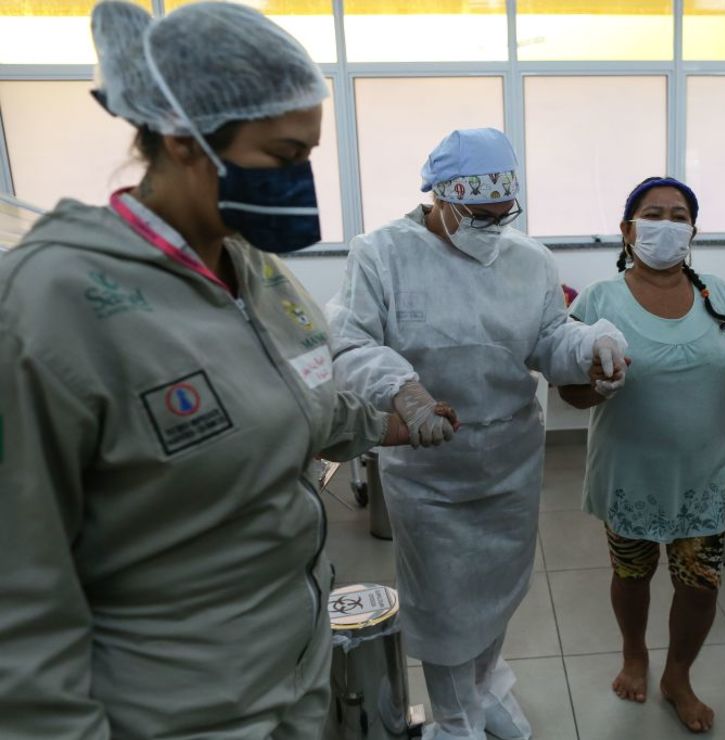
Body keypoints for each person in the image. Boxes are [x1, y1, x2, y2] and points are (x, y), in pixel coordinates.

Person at [0, 3, 439, 738]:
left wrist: (380, 421)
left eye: (308, 155)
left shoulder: (256, 272)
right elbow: (18, 599)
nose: (302, 181)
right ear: (183, 140)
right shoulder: (52, 305)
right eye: (282, 156)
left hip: (290, 676)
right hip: (170, 710)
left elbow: (297, 400)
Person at [326, 127, 628, 740]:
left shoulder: (529, 259)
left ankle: (486, 688)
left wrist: (591, 343)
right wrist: (404, 394)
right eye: (477, 215)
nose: (490, 228)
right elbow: (351, 340)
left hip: (511, 458)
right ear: (439, 197)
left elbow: (549, 338)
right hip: (429, 466)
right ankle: (454, 717)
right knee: (442, 604)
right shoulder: (381, 253)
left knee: (498, 590)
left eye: (501, 216)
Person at [558, 177, 725, 734]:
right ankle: (634, 652)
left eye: (678, 215)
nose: (666, 224)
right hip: (630, 472)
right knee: (631, 574)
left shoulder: (717, 296)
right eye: (652, 214)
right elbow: (569, 389)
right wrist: (596, 388)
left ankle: (677, 675)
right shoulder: (598, 300)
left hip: (700, 474)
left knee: (700, 584)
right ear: (627, 230)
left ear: (693, 231)